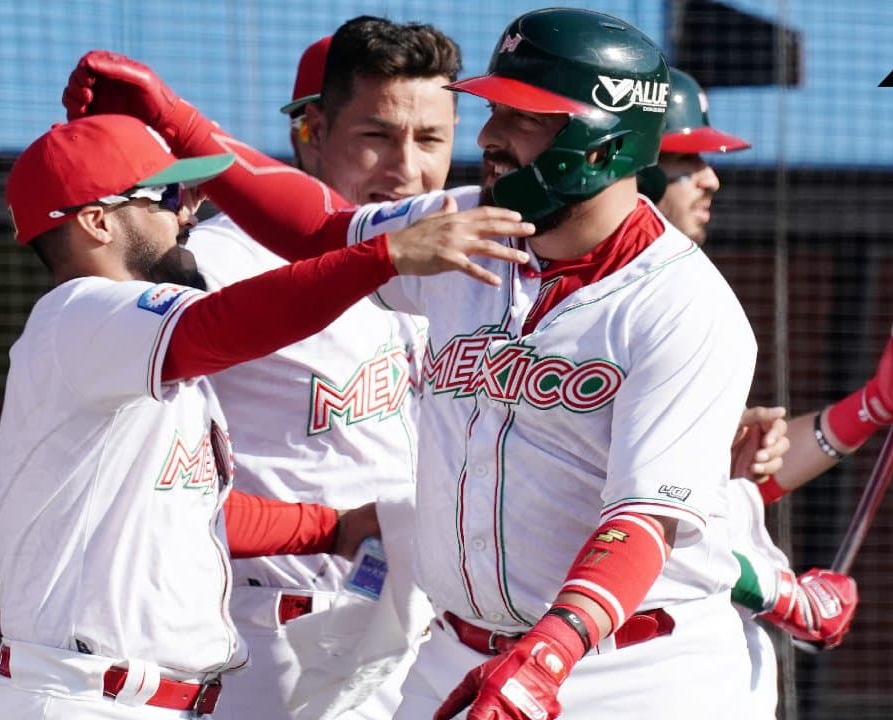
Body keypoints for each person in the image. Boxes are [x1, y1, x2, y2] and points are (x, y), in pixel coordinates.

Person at [63, 7, 764, 718]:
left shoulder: (682, 305)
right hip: (451, 649)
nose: (489, 137)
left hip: (633, 669)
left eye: (524, 118)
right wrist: (178, 122)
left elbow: (641, 523)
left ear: (598, 142)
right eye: (495, 111)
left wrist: (547, 656)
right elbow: (320, 232)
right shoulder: (471, 222)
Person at [0, 113, 530, 720]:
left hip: (138, 697)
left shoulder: (125, 361)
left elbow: (190, 511)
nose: (188, 214)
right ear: (96, 220)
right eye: (167, 197)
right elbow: (224, 324)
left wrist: (329, 528)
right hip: (83, 698)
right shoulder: (77, 314)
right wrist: (385, 255)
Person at [642, 69, 893, 718]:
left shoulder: (684, 289)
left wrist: (875, 405)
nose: (711, 178)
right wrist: (779, 591)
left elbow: (720, 490)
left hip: (699, 668)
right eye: (686, 160)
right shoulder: (568, 299)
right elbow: (620, 512)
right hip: (609, 665)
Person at [185, 16, 462, 720]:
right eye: (377, 136)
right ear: (310, 129)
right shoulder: (218, 263)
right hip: (274, 637)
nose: (407, 168)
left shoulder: (458, 270)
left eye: (430, 139)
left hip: (421, 637)